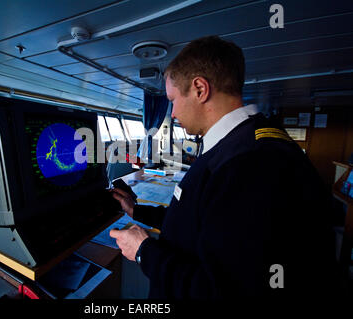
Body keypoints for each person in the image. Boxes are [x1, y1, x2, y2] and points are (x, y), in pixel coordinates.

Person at [109, 36, 338, 299]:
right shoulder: (243, 143)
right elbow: (202, 219)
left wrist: (143, 251)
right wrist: (137, 210)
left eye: (173, 99)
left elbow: (222, 291)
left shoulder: (252, 164)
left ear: (199, 89)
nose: (172, 113)